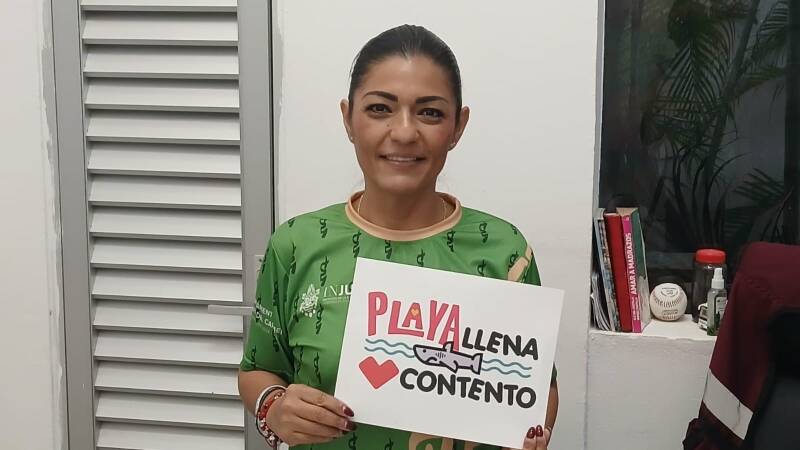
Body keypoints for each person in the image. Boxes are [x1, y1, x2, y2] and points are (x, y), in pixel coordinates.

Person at [238, 24, 558, 450]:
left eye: (430, 113)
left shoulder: (506, 252)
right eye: (379, 109)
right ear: (348, 119)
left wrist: (531, 433)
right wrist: (273, 408)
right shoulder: (296, 245)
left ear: (458, 126)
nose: (405, 132)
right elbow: (257, 368)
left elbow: (539, 389)